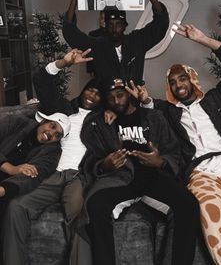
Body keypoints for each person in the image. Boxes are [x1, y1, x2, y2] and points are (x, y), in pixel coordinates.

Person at [127, 24, 221, 265]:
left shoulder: (218, 98)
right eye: (172, 82)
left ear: (193, 78)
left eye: (182, 78)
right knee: (207, 208)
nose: (178, 85)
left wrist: (204, 39)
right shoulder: (168, 112)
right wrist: (144, 101)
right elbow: (147, 111)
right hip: (202, 174)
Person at [77, 77, 200, 265]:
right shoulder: (101, 122)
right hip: (121, 179)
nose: (117, 101)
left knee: (188, 204)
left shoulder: (154, 117)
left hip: (154, 178)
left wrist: (160, 161)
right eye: (111, 98)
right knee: (95, 205)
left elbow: (173, 149)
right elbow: (92, 155)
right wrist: (104, 165)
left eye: (120, 95)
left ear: (129, 93)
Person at [0, 49, 101, 265]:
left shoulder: (103, 121)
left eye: (98, 94)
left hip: (77, 176)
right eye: (90, 90)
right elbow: (41, 80)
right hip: (52, 174)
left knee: (80, 213)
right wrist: (63, 62)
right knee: (16, 207)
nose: (92, 96)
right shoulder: (62, 111)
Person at [63, 0, 169, 84]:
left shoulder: (137, 41)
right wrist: (74, 1)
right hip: (106, 99)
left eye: (118, 24)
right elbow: (70, 33)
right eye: (110, 25)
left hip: (133, 99)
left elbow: (161, 24)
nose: (114, 29)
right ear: (105, 26)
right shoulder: (97, 46)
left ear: (125, 26)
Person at [0, 110, 69, 215]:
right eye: (52, 126)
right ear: (43, 121)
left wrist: (3, 189)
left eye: (57, 135)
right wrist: (10, 168)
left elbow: (33, 175)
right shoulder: (16, 122)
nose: (51, 133)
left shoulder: (53, 152)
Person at [86, 11, 106, 76]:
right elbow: (89, 53)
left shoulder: (115, 34)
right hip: (97, 68)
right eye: (102, 18)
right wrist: (90, 70)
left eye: (105, 18)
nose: (103, 21)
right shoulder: (93, 34)